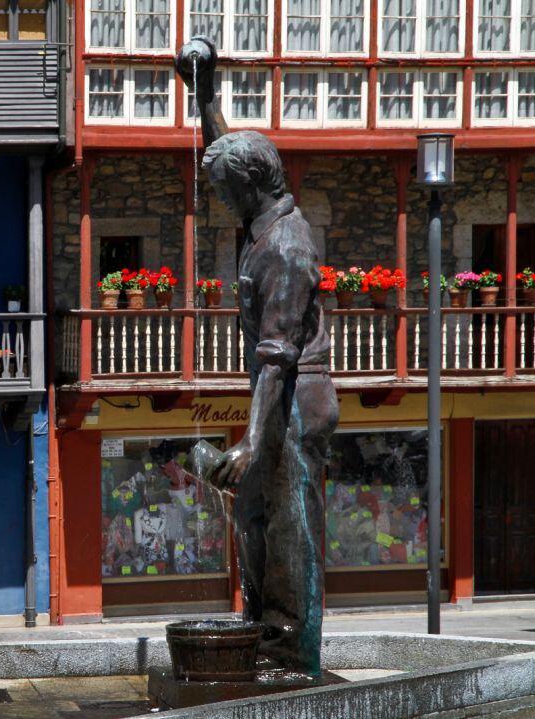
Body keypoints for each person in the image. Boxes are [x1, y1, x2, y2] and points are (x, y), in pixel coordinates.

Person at [177, 36, 340, 677]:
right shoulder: (264, 215)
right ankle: (259, 628)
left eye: (223, 191)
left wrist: (250, 438)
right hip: (279, 394)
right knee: (254, 515)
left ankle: (291, 652)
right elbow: (233, 154)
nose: (219, 201)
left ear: (247, 189)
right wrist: (205, 91)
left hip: (298, 396)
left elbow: (276, 354)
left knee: (289, 526)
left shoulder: (286, 248)